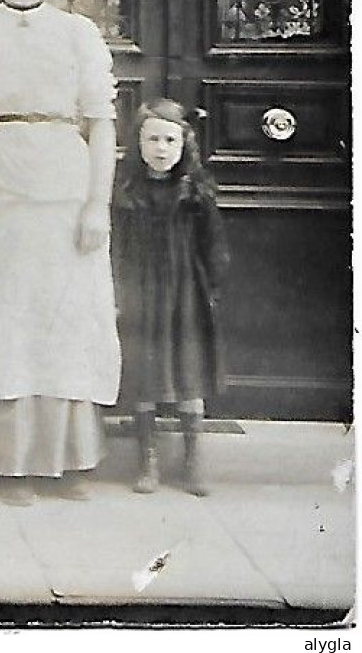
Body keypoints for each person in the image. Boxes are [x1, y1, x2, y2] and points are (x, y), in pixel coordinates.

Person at [0, 0, 119, 506]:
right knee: (5, 315)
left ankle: (69, 459)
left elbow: (101, 126)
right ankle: (8, 464)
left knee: (67, 315)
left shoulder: (78, 35)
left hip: (65, 182)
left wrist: (97, 205)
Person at [113, 99, 230, 497]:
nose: (160, 148)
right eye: (152, 139)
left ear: (184, 145)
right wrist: (119, 291)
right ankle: (147, 460)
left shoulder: (195, 192)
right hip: (143, 291)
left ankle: (193, 459)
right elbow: (119, 249)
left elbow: (213, 244)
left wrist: (212, 286)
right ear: (138, 143)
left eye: (169, 140)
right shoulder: (128, 193)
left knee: (188, 371)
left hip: (185, 292)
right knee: (145, 373)